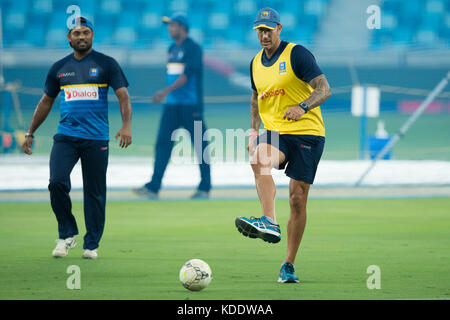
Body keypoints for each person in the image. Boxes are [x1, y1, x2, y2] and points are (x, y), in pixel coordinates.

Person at [22, 17, 132, 259]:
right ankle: (66, 234)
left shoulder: (107, 64)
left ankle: (91, 245)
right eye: (76, 33)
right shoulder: (59, 68)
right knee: (56, 182)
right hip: (66, 137)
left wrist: (126, 126)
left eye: (86, 32)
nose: (81, 37)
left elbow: (123, 95)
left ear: (92, 36)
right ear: (68, 38)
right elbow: (45, 102)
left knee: (94, 192)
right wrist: (30, 133)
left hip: (96, 139)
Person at [234, 8, 332, 283]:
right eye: (259, 31)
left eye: (268, 29)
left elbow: (324, 89)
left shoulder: (297, 54)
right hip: (276, 131)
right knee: (257, 159)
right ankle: (269, 222)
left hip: (307, 133)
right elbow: (255, 99)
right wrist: (253, 132)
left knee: (297, 200)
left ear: (279, 29)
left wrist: (302, 107)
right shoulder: (255, 63)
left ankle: (288, 264)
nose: (264, 35)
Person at [133, 13, 211, 200]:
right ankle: (153, 187)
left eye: (173, 25)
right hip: (172, 106)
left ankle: (205, 188)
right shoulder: (171, 48)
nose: (169, 28)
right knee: (162, 145)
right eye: (169, 25)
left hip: (191, 106)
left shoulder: (193, 48)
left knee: (201, 147)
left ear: (182, 27)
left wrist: (164, 92)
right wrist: (168, 94)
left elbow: (187, 76)